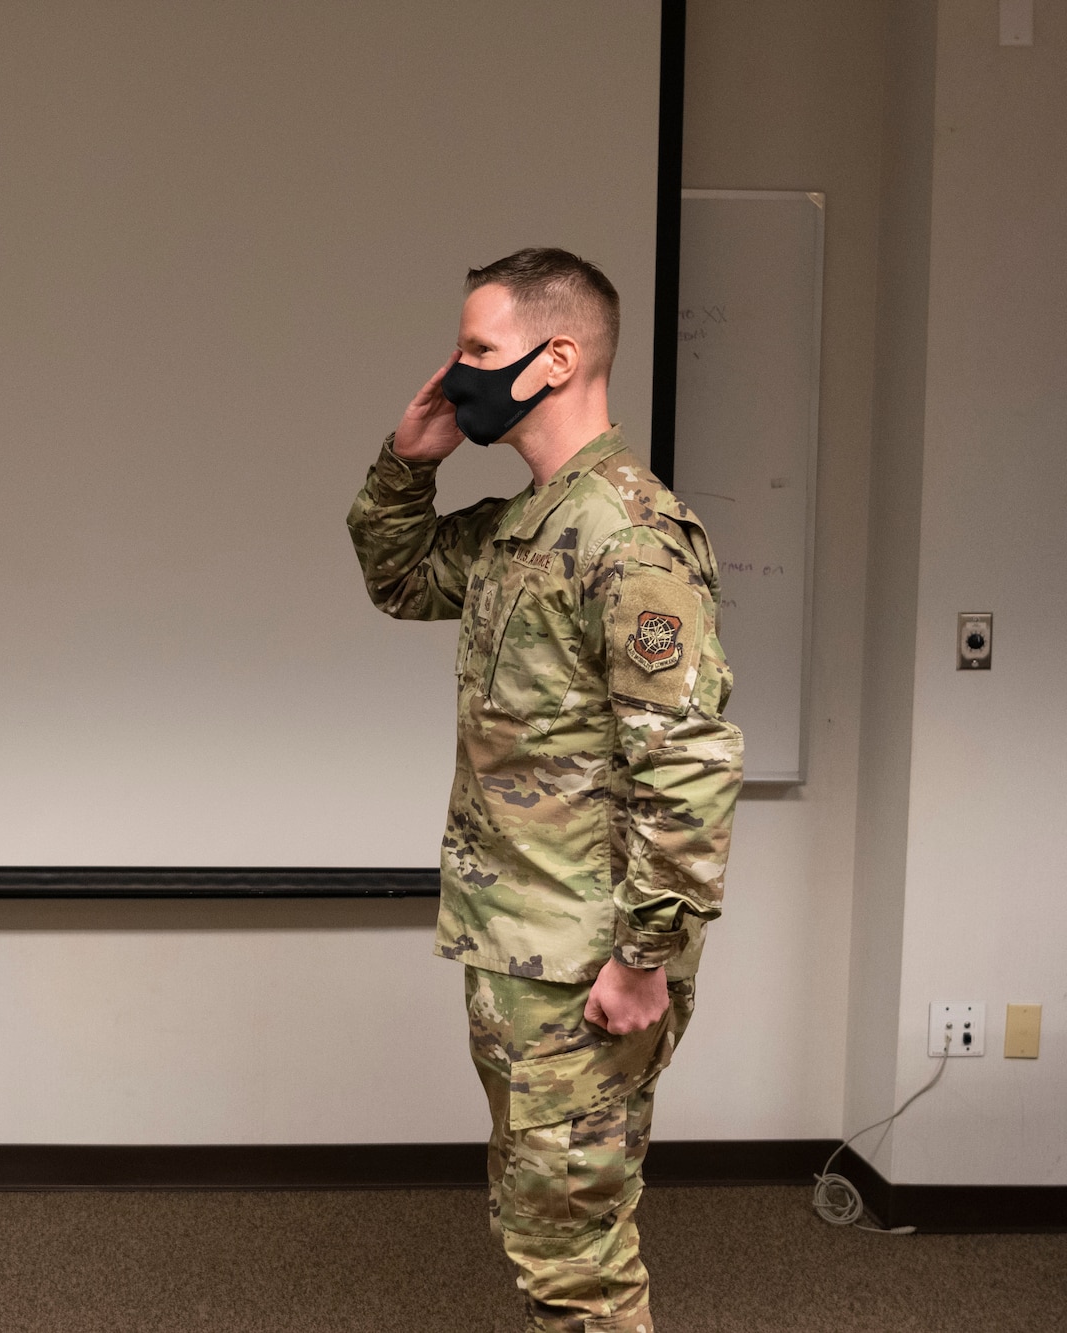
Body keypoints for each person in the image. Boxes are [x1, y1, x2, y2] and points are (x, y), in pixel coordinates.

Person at [346, 248, 743, 1333]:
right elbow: (396, 576)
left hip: (584, 958)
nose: (457, 372)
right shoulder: (524, 525)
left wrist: (641, 957)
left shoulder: (625, 532)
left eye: (476, 350)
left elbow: (688, 765)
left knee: (574, 1256)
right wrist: (404, 458)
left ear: (554, 356)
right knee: (541, 1224)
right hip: (516, 940)